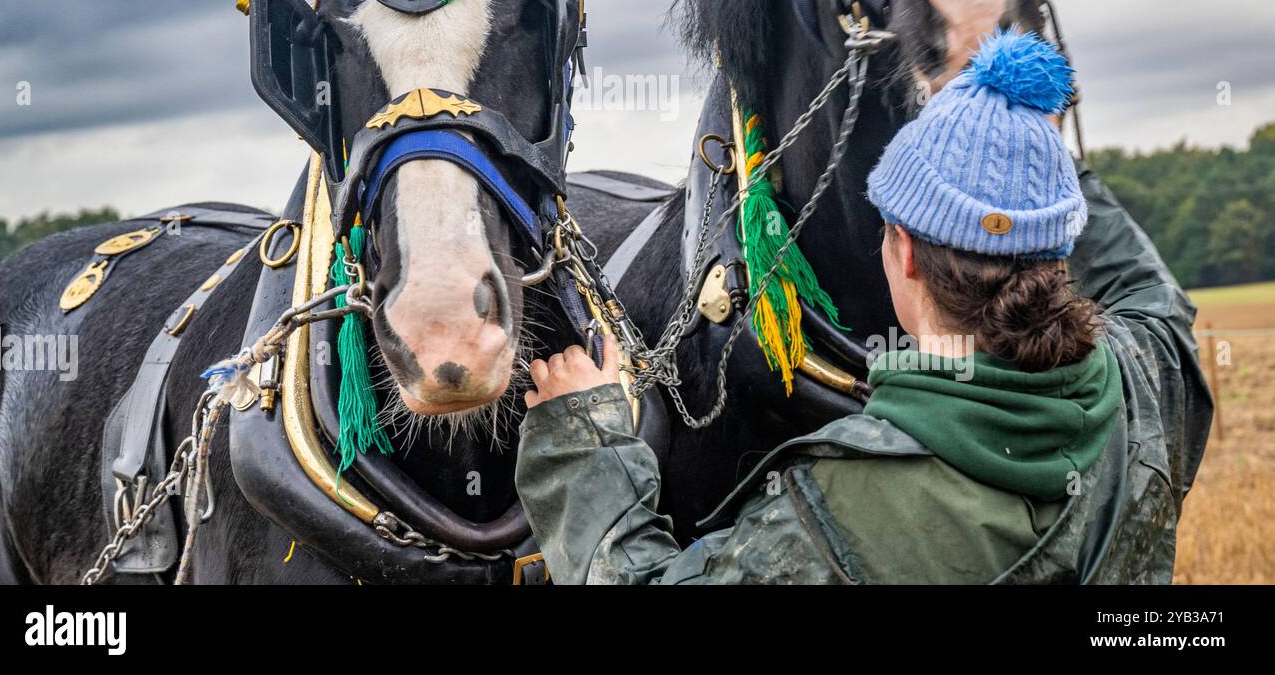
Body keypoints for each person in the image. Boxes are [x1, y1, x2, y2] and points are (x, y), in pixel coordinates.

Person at [514, 29, 1213, 584]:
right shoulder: (1147, 385)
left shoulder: (846, 510)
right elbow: (1153, 297)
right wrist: (1025, 150)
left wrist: (583, 439)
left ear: (901, 251)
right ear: (1059, 246)